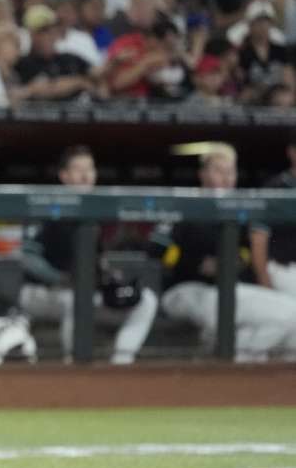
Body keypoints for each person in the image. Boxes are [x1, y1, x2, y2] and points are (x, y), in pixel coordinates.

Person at [153, 144, 296, 361]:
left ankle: (233, 361)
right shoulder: (186, 203)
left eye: (230, 171)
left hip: (227, 289)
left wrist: (237, 260)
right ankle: (228, 355)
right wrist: (197, 264)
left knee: (290, 316)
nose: (226, 177)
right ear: (203, 174)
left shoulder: (239, 213)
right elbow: (157, 247)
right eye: (219, 171)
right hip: (184, 290)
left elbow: (248, 250)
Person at [18, 146, 158, 364]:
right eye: (78, 169)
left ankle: (122, 360)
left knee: (146, 300)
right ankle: (75, 363)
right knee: (77, 299)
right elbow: (26, 256)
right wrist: (58, 278)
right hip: (40, 292)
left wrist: (107, 274)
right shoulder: (48, 207)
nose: (85, 175)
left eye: (90, 169)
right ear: (64, 176)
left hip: (81, 291)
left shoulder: (96, 213)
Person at [249, 136, 296, 296]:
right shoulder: (274, 188)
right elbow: (258, 240)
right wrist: (265, 284)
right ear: (291, 152)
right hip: (283, 269)